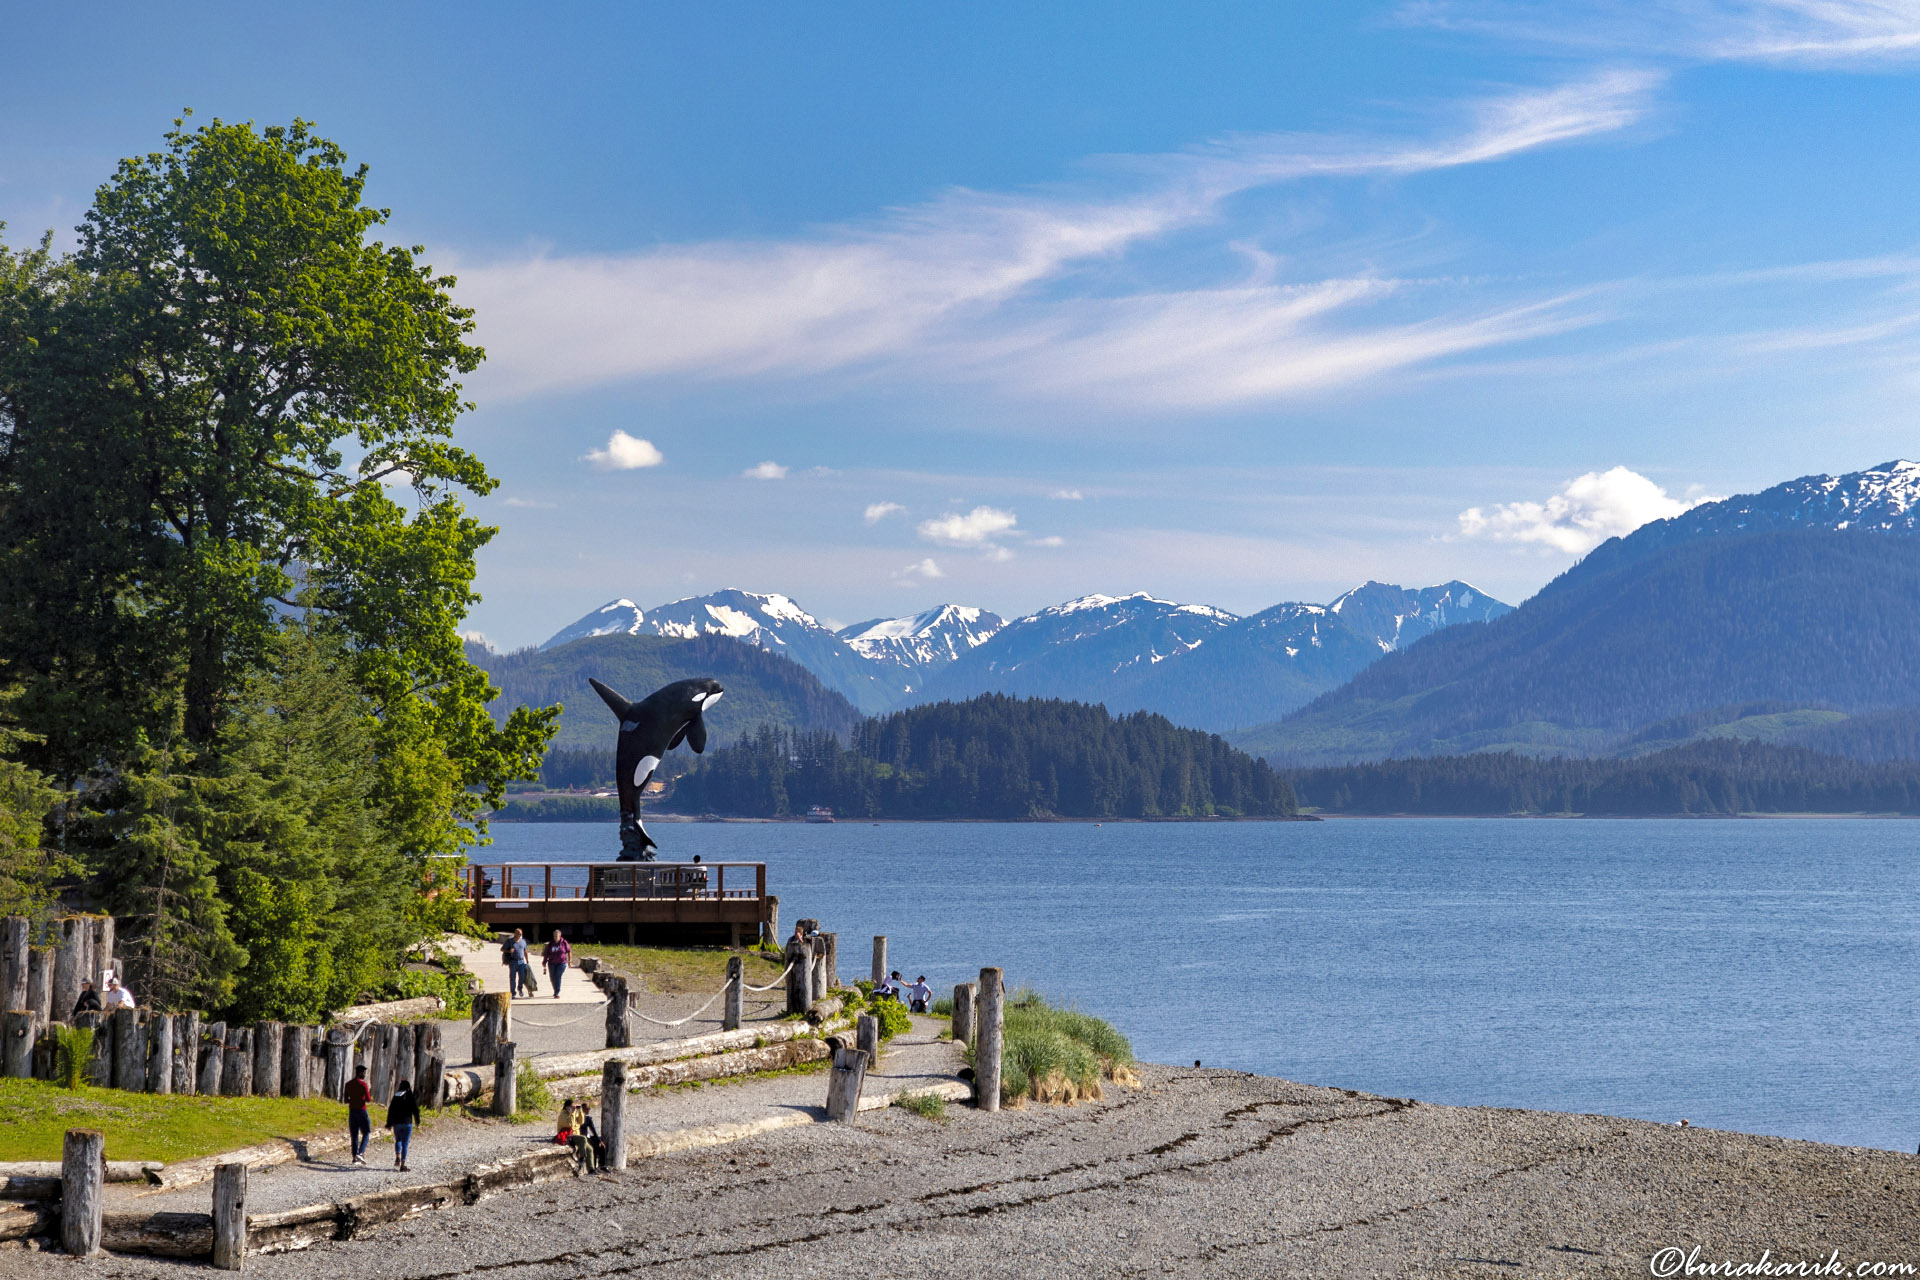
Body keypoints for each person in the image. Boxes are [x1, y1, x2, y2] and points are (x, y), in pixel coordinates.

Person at [385, 1078, 420, 1171]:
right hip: (407, 1123)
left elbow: (391, 1110)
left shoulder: (396, 1096)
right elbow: (415, 1110)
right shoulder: (410, 1096)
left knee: (398, 1140)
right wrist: (417, 1121)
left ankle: (397, 1157)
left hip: (397, 1123)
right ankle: (403, 1164)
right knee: (405, 1143)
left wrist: (389, 1123)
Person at [345, 1065, 374, 1166]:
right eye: (364, 1073)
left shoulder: (348, 1084)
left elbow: (345, 1100)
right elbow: (368, 1099)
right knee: (366, 1132)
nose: (365, 1075)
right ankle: (361, 1153)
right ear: (360, 1073)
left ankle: (354, 1158)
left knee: (354, 1135)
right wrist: (361, 1099)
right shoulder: (363, 1084)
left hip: (352, 1111)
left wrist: (352, 1100)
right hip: (362, 1111)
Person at [543, 929, 572, 999]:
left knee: (558, 976)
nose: (556, 937)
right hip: (552, 963)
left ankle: (557, 992)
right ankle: (555, 989)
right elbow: (546, 954)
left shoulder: (564, 943)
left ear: (560, 936)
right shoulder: (550, 944)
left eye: (557, 935)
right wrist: (544, 962)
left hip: (561, 963)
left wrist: (570, 961)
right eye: (554, 935)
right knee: (552, 977)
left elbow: (569, 951)